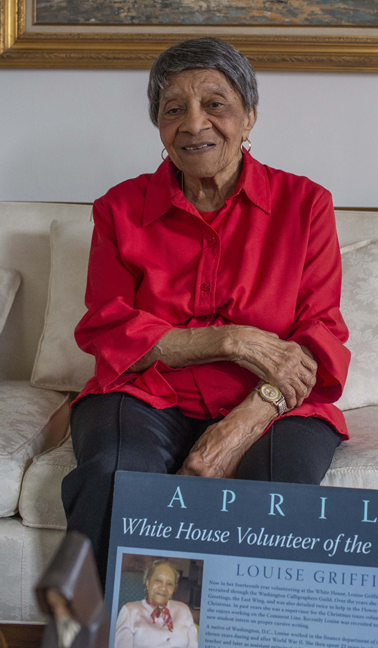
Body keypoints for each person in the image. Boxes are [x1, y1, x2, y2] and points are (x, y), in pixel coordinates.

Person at [62, 37, 350, 583]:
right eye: (174, 109)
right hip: (147, 394)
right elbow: (108, 325)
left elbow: (320, 333)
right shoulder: (118, 209)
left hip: (272, 402)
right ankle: (94, 634)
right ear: (159, 126)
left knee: (279, 489)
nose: (195, 123)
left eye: (215, 104)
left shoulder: (305, 204)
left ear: (248, 118)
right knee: (115, 477)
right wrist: (229, 339)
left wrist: (244, 423)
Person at [115, 560, 198, 648]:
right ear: (148, 582)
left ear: (173, 589)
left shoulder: (184, 610)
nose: (163, 587)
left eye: (169, 584)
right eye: (158, 580)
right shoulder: (129, 611)